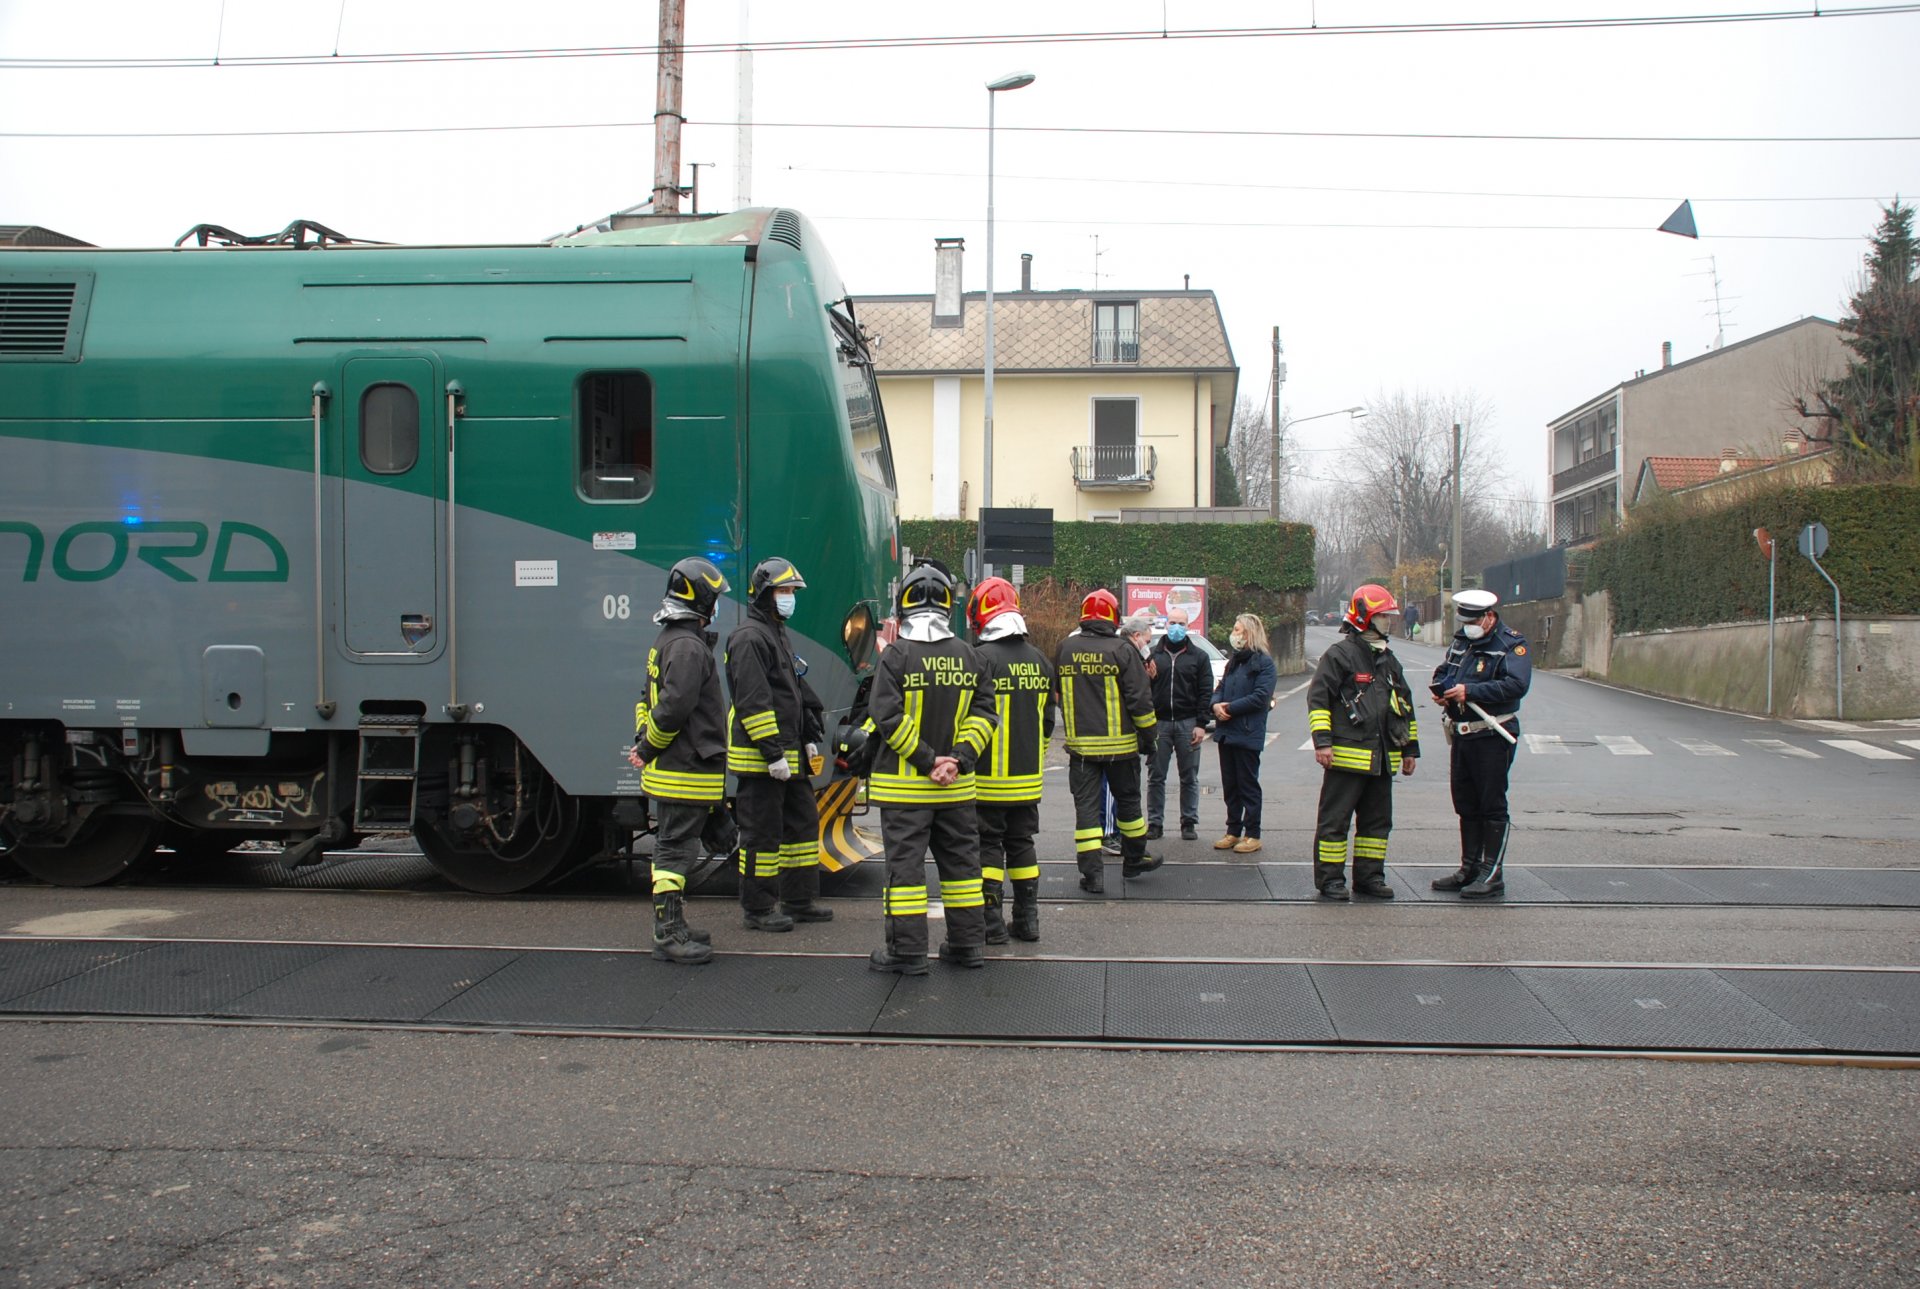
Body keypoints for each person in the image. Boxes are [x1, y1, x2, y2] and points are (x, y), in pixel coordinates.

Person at [867, 563, 999, 974]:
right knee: (962, 868)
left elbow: (886, 717)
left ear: (903, 606)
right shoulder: (970, 656)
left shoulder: (896, 657)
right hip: (957, 790)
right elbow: (985, 717)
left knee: (905, 873)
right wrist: (956, 761)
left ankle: (906, 953)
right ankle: (967, 945)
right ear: (948, 605)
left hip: (905, 792)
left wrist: (928, 762)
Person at [630, 556, 732, 964]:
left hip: (683, 769)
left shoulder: (669, 640)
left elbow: (645, 701)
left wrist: (644, 740)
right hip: (683, 770)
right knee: (674, 853)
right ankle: (668, 934)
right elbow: (673, 708)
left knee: (678, 849)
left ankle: (675, 926)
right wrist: (648, 747)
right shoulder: (688, 647)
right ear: (702, 599)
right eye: (716, 597)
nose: (718, 603)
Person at [725, 556, 831, 932]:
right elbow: (753, 701)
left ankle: (798, 900)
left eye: (791, 591)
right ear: (765, 594)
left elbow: (791, 693)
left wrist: (806, 739)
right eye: (783, 591)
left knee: (802, 827)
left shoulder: (775, 632)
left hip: (790, 755)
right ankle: (758, 909)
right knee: (761, 837)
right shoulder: (749, 638)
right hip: (762, 761)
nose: (789, 598)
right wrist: (772, 754)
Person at [1306, 584, 1421, 900]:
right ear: (1365, 618)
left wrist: (1409, 749)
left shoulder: (1388, 659)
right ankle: (1330, 881)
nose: (1388, 621)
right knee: (1335, 823)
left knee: (1377, 823)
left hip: (1382, 760)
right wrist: (1323, 743)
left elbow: (1404, 706)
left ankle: (1369, 878)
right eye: (1383, 615)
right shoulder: (1340, 655)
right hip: (1346, 757)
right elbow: (1318, 700)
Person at [966, 576, 1053, 944]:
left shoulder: (979, 660)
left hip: (985, 781)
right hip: (1028, 780)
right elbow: (1048, 724)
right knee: (1022, 845)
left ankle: (991, 924)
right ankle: (1028, 920)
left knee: (988, 847)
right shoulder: (1040, 662)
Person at [1430, 588, 1532, 899]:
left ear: (1489, 617)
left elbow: (1516, 685)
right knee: (1466, 803)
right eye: (1465, 620)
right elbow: (1446, 670)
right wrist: (1441, 689)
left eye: (1473, 620)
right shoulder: (1462, 641)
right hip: (1462, 732)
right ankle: (1469, 868)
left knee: (1491, 805)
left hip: (1492, 733)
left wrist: (1469, 691)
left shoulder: (1511, 645)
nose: (1468, 626)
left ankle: (1492, 873)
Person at [1056, 589, 1160, 892]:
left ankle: (1093, 876)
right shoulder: (1123, 649)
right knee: (1128, 805)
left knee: (1087, 813)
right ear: (1114, 618)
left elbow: (1058, 694)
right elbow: (1140, 701)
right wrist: (1149, 738)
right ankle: (1134, 860)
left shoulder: (1064, 647)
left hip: (1081, 749)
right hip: (1121, 749)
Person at [1207, 613, 1276, 854]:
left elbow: (1260, 698)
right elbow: (1220, 689)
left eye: (1237, 630)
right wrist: (1216, 705)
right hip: (1227, 733)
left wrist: (1229, 708)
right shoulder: (1234, 661)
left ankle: (1253, 834)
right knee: (1231, 785)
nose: (1234, 634)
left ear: (1249, 634)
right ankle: (1233, 830)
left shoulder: (1263, 663)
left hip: (1247, 733)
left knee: (1248, 785)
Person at [1147, 608, 1212, 841]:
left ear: (1188, 625)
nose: (1176, 627)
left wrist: (1201, 723)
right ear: (1166, 624)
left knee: (1189, 777)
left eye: (1181, 623)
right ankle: (1155, 823)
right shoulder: (1153, 656)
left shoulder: (1199, 657)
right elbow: (1144, 691)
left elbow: (1206, 693)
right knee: (1156, 776)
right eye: (1173, 622)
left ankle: (1189, 823)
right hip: (1160, 724)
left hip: (1188, 724)